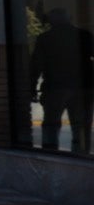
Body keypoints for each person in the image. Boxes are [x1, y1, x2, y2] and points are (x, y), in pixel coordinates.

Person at [31, 9, 94, 155]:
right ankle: (80, 154)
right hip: (83, 88)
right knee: (80, 126)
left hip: (55, 88)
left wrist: (31, 88)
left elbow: (36, 66)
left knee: (51, 125)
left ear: (51, 21)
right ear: (69, 19)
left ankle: (50, 154)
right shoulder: (84, 36)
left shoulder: (45, 38)